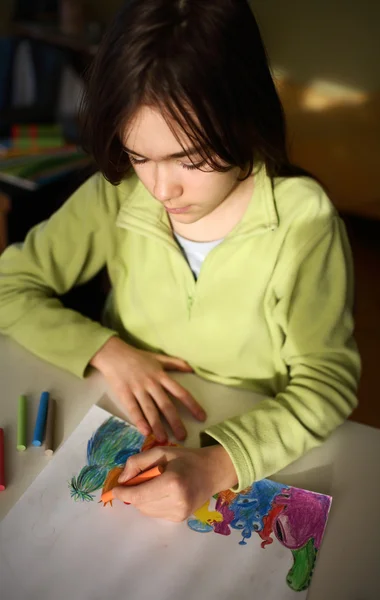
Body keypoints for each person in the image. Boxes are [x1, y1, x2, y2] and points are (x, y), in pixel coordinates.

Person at [0, 0, 360, 521]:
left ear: (244, 118)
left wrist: (216, 466)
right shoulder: (120, 192)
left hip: (254, 445)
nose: (161, 188)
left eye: (189, 160)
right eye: (140, 156)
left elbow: (327, 383)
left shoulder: (302, 224)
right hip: (114, 417)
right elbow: (11, 284)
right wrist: (106, 349)